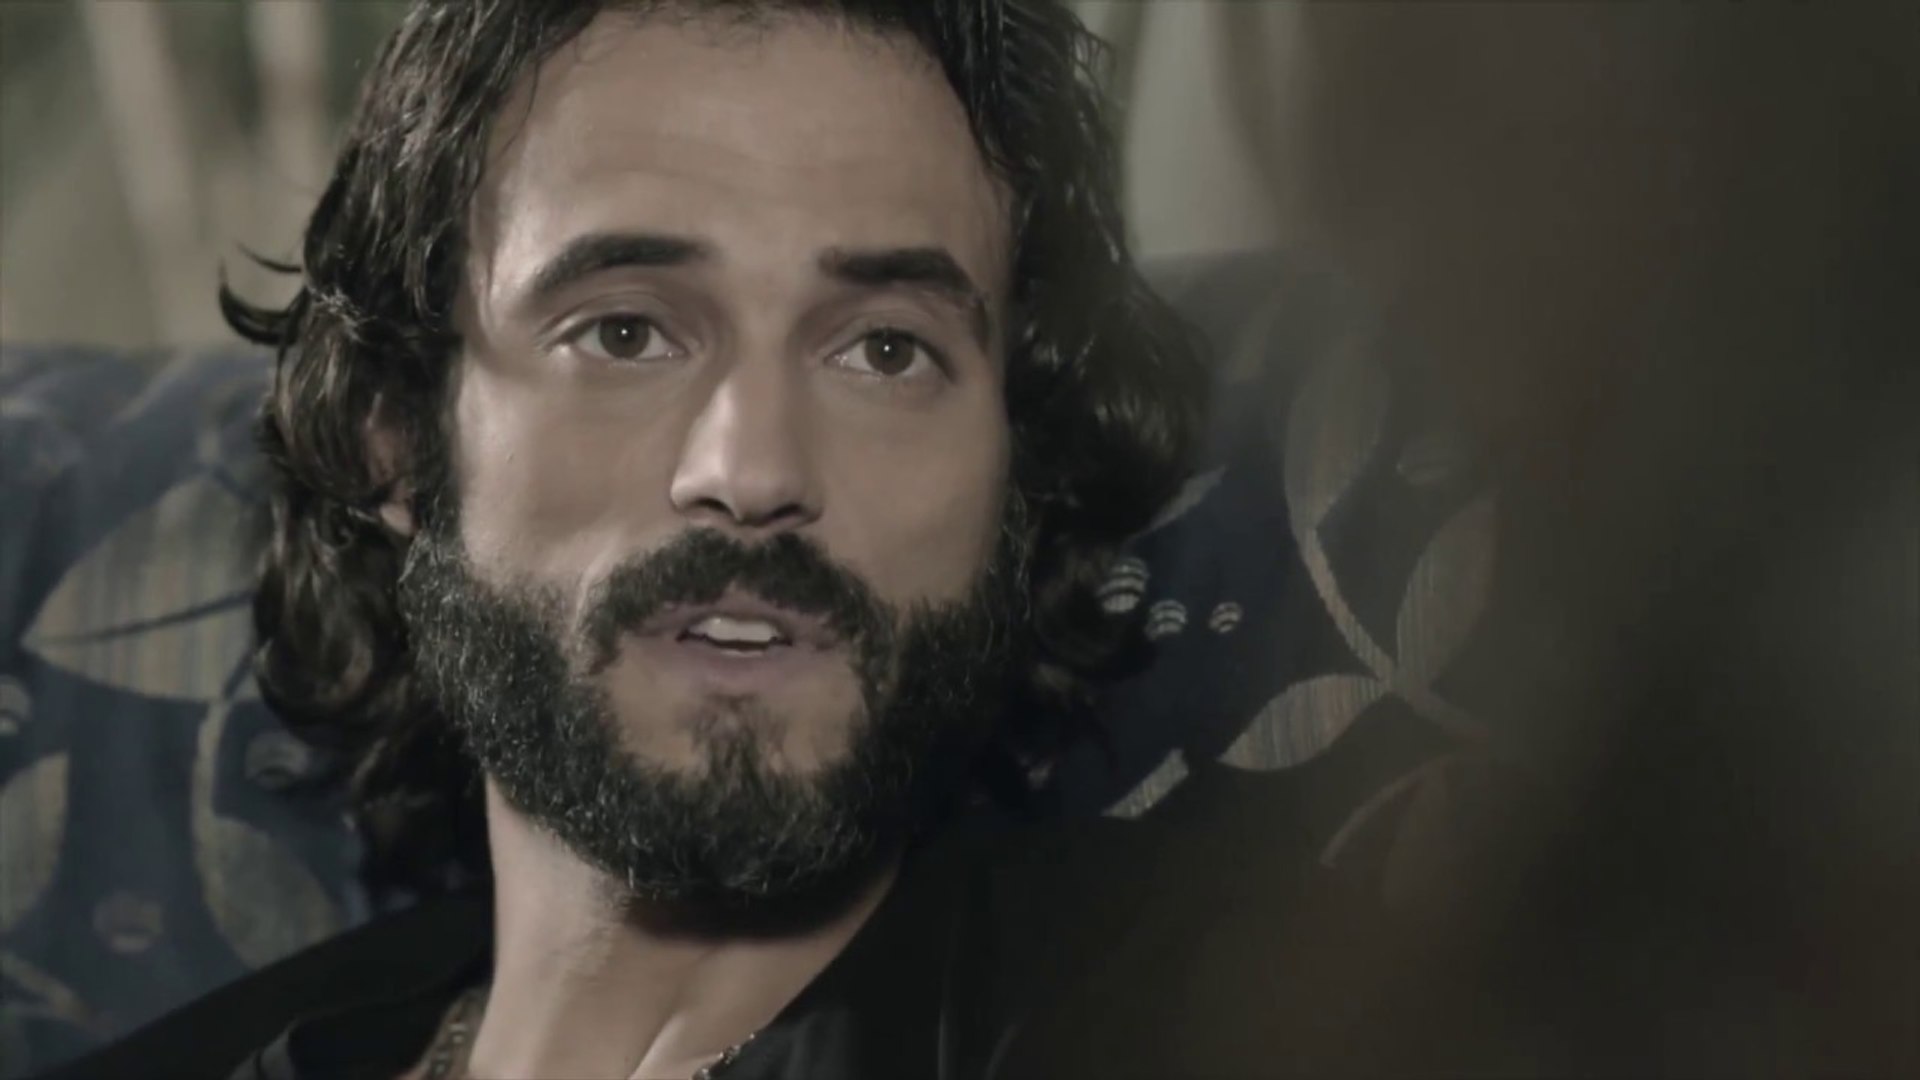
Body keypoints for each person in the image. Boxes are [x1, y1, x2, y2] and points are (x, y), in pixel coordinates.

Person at [45, 2, 1420, 1077]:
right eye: (624, 332)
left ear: (1019, 474)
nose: (753, 472)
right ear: (397, 435)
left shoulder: (1255, 1011)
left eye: (886, 351)